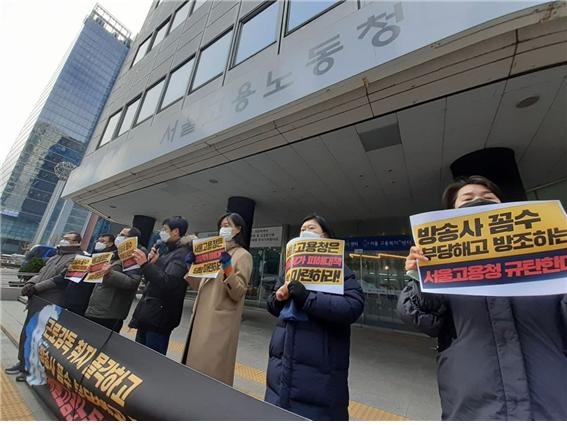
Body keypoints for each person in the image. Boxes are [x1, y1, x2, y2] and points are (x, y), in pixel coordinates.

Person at [397, 175, 567, 420]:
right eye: (467, 199)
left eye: (488, 198)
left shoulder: (545, 260)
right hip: (474, 402)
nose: (478, 202)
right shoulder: (441, 261)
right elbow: (422, 320)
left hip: (550, 399)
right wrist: (419, 277)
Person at [264, 214, 364, 420]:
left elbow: (353, 307)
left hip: (320, 370)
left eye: (311, 228)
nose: (304, 232)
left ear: (325, 236)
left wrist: (308, 298)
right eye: (301, 229)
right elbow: (272, 305)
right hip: (281, 366)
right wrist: (279, 297)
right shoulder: (289, 269)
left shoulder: (340, 270)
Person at [182, 212, 253, 386]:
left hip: (218, 324)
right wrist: (191, 266)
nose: (223, 228)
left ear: (238, 230)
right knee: (193, 371)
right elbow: (200, 287)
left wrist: (228, 268)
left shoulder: (243, 255)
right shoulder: (213, 253)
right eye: (221, 225)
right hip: (200, 318)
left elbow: (238, 292)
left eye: (228, 225)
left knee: (211, 374)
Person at [4, 232, 83, 382]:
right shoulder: (55, 256)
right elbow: (40, 273)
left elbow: (61, 280)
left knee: (40, 337)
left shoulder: (77, 259)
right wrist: (30, 284)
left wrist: (37, 287)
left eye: (67, 239)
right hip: (37, 300)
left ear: (77, 242)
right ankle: (22, 363)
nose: (63, 241)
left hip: (51, 303)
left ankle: (33, 369)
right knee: (28, 332)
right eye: (64, 238)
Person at [129, 216, 191, 355]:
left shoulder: (182, 255)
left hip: (160, 318)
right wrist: (153, 263)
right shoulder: (168, 252)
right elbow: (156, 279)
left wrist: (145, 264)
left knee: (151, 360)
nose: (161, 232)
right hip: (150, 315)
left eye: (165, 229)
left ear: (175, 232)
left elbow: (168, 282)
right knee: (138, 357)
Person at [84, 227, 144, 332]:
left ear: (132, 239)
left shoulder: (133, 256)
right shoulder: (115, 254)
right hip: (97, 309)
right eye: (119, 234)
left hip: (109, 313)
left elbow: (132, 282)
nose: (117, 237)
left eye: (122, 235)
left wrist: (110, 273)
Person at [60, 233, 119, 316]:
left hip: (84, 301)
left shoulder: (110, 261)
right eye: (98, 241)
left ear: (110, 244)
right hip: (73, 296)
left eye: (103, 241)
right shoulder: (90, 256)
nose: (99, 243)